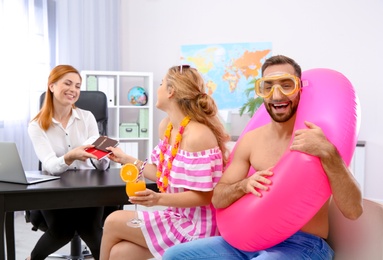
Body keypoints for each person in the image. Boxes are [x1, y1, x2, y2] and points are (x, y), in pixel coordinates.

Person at [162, 55, 364, 260]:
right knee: (174, 255)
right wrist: (244, 185)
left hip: (302, 244)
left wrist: (329, 153)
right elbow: (218, 198)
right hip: (249, 241)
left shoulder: (319, 138)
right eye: (268, 87)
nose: (277, 95)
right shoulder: (251, 141)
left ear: (300, 89)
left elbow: (353, 211)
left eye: (287, 85)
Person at [99, 65, 230, 260]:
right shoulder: (166, 127)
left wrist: (157, 199)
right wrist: (126, 159)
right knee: (120, 253)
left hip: (198, 228)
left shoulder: (199, 135)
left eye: (161, 84)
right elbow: (162, 173)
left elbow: (204, 197)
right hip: (176, 217)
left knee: (112, 220)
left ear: (171, 91)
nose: (157, 89)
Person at [27, 65, 110, 260]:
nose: (73, 89)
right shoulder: (37, 125)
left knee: (93, 233)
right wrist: (71, 156)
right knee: (62, 231)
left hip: (87, 187)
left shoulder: (87, 117)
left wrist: (102, 156)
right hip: (55, 189)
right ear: (52, 86)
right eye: (68, 83)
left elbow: (102, 167)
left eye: (78, 86)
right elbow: (50, 165)